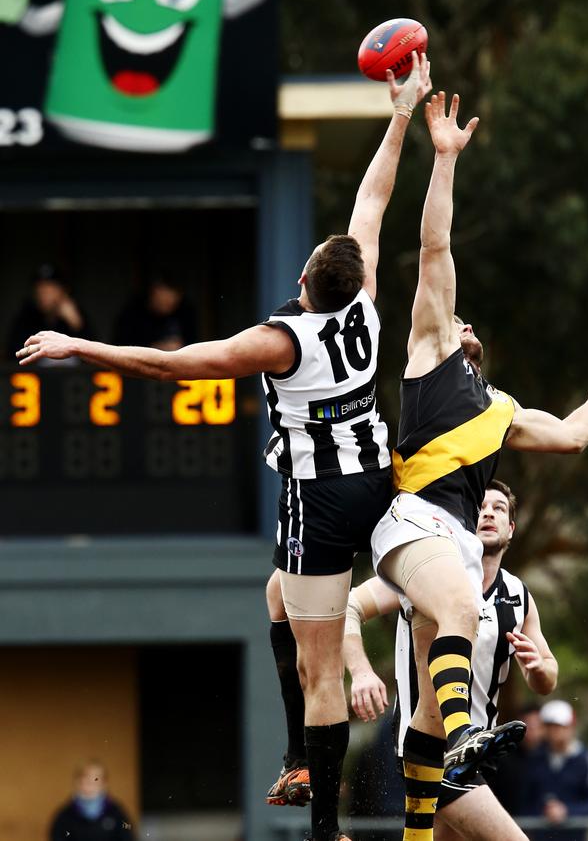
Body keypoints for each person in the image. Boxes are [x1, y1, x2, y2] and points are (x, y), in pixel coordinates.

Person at [17, 54, 434, 841]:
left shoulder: (283, 341)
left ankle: (321, 823)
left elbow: (171, 364)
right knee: (276, 598)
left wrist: (81, 343)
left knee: (320, 672)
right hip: (377, 480)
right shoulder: (368, 302)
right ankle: (296, 753)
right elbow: (374, 197)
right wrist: (403, 112)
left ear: (310, 278)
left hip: (319, 498)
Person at [368, 90, 588, 837]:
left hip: (447, 541)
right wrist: (444, 159)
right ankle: (461, 741)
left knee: (423, 707)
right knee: (450, 628)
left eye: (464, 320)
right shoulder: (429, 351)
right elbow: (434, 251)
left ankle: (440, 757)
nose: (459, 317)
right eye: (455, 315)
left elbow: (577, 434)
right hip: (414, 522)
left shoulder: (501, 411)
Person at [345, 479, 558, 841]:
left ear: (511, 529)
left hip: (474, 757)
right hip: (430, 752)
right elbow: (348, 607)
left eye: (499, 509)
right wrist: (361, 672)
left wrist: (538, 668)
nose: (489, 513)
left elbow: (548, 676)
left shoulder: (518, 595)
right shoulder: (426, 571)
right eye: (481, 507)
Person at [523, 700, 588, 841]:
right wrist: (543, 813)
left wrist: (567, 811)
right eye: (550, 726)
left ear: (571, 726)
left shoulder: (587, 759)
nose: (554, 732)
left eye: (559, 726)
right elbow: (526, 800)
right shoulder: (535, 759)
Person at [7, 264, 93, 360]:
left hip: (73, 374)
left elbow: (95, 357)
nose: (44, 293)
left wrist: (78, 326)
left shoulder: (77, 315)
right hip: (36, 373)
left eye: (50, 287)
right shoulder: (26, 317)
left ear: (64, 290)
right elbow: (13, 357)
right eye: (40, 287)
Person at [49, 760, 134, 841]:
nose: (90, 786)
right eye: (86, 781)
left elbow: (127, 837)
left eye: (96, 781)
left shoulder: (116, 813)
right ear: (77, 782)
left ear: (104, 784)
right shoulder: (64, 816)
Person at [115, 271, 197, 351]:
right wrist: (154, 348)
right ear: (152, 292)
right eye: (163, 300)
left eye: (171, 302)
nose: (168, 301)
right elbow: (121, 348)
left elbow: (194, 346)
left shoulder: (185, 313)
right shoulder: (133, 314)